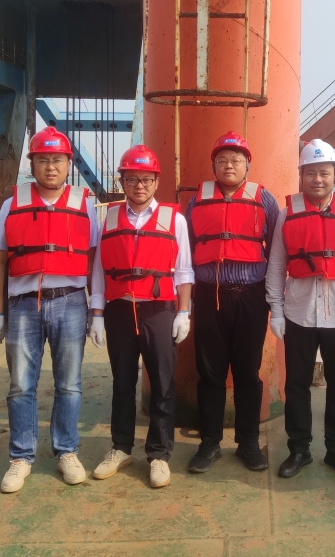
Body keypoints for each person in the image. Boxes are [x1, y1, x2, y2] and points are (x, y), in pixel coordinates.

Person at [0, 126, 100, 493]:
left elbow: (93, 260)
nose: (51, 167)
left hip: (71, 302)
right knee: (21, 385)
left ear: (68, 164)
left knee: (69, 384)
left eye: (58, 160)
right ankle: (21, 457)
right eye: (44, 160)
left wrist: (96, 311)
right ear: (32, 164)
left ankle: (67, 451)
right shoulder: (12, 204)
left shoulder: (85, 205)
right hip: (23, 305)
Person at [88, 145, 194, 489]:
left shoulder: (175, 220)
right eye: (132, 179)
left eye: (146, 179)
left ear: (156, 181)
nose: (139, 185)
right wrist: (97, 314)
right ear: (122, 181)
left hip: (158, 310)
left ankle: (159, 454)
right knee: (122, 382)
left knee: (162, 383)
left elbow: (184, 270)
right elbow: (99, 271)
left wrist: (183, 312)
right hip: (120, 309)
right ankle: (120, 448)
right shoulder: (108, 221)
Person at [265, 139, 335, 479]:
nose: (318, 179)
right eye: (311, 173)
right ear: (301, 175)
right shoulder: (287, 214)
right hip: (299, 313)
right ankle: (299, 449)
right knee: (296, 385)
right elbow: (276, 266)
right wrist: (276, 310)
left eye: (324, 172)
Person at [184, 131, 281, 473]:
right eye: (222, 160)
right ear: (213, 165)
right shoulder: (196, 202)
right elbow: (186, 249)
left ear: (247, 166)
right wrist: (185, 304)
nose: (229, 165)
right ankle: (209, 443)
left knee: (247, 372)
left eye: (236, 160)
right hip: (208, 297)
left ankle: (248, 442)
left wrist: (275, 301)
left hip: (250, 297)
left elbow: (276, 249)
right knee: (209, 372)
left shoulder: (264, 200)